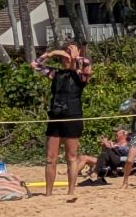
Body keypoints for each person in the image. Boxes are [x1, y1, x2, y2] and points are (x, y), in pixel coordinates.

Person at [32, 39, 91, 195]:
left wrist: (76, 57)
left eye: (67, 57)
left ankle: (71, 191)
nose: (65, 60)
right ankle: (48, 193)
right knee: (50, 158)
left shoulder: (80, 75)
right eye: (64, 58)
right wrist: (51, 54)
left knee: (71, 157)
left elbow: (87, 67)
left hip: (72, 117)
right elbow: (35, 65)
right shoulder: (55, 73)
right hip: (56, 117)